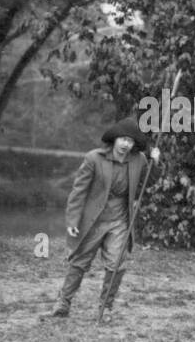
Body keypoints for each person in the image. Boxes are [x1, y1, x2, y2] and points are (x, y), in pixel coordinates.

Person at [49, 117, 160, 322]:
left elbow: (148, 183)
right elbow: (78, 192)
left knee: (117, 263)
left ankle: (105, 308)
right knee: (79, 262)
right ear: (114, 139)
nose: (126, 144)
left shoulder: (139, 160)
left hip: (119, 221)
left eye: (131, 141)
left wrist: (155, 161)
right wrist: (73, 221)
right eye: (123, 139)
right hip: (93, 220)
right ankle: (63, 303)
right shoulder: (94, 158)